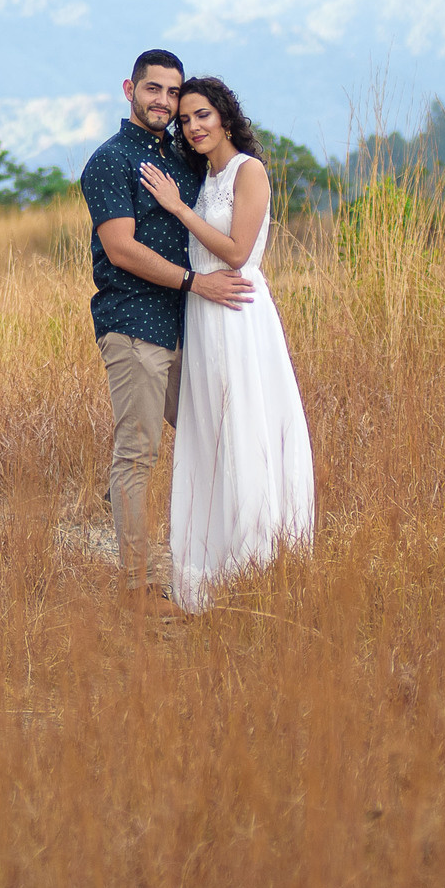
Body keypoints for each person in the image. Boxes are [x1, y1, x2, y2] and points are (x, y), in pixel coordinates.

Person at [138, 76, 315, 611]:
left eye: (203, 115)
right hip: (204, 314)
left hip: (238, 312)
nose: (193, 126)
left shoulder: (248, 171)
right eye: (186, 118)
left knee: (244, 424)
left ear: (227, 118)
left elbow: (238, 251)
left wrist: (179, 209)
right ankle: (209, 569)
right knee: (210, 430)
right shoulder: (204, 176)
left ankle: (257, 558)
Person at [77, 49, 254, 585]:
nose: (165, 102)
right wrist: (196, 282)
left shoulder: (179, 157)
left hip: (189, 327)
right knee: (138, 451)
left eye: (173, 93)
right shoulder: (110, 161)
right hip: (134, 325)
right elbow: (122, 249)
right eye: (154, 89)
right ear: (129, 90)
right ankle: (137, 579)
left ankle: (225, 552)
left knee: (212, 432)